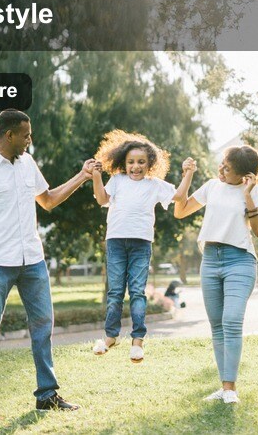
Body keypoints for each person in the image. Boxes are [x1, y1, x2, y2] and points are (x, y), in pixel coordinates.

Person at [0, 109, 88, 418]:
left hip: (32, 260)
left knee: (43, 325)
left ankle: (47, 394)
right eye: (26, 135)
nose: (30, 140)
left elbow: (48, 200)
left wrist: (82, 176)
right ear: (9, 135)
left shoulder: (27, 163)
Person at [90, 130, 195, 362]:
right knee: (115, 292)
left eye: (141, 162)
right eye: (130, 162)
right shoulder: (117, 180)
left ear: (150, 164)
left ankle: (137, 341)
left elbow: (178, 196)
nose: (135, 167)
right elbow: (102, 199)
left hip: (141, 244)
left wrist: (187, 174)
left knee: (137, 291)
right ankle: (110, 337)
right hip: (116, 241)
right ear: (123, 163)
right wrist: (96, 176)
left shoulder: (154, 185)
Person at [174, 145, 258, 405]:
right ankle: (225, 387)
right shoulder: (212, 186)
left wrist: (247, 195)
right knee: (217, 326)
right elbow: (179, 211)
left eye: (228, 168)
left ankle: (230, 389)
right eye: (222, 164)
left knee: (232, 320)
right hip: (211, 260)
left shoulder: (255, 190)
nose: (221, 170)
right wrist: (188, 175)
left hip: (240, 260)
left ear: (245, 175)